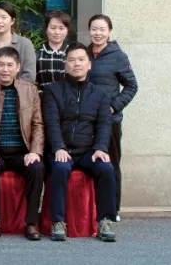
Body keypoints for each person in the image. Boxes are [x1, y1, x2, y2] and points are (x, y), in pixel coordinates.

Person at [43, 42, 117, 242]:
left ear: (89, 64)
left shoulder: (100, 94)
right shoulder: (52, 91)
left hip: (87, 151)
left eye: (81, 60)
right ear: (65, 64)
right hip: (61, 150)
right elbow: (51, 123)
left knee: (106, 169)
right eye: (72, 60)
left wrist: (100, 148)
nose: (77, 64)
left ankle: (105, 221)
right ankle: (58, 221)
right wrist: (58, 147)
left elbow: (104, 124)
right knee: (60, 168)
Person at [0, 47, 44, 240]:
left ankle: (31, 223)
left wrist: (35, 151)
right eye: (1, 64)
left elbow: (37, 124)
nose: (5, 69)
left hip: (22, 151)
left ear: (18, 67)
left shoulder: (30, 90)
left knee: (37, 168)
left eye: (10, 65)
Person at [86, 14, 137, 222]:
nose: (97, 33)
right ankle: (90, 209)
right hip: (86, 120)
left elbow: (132, 86)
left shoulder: (118, 56)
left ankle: (113, 209)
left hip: (110, 121)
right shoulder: (84, 54)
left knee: (111, 163)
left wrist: (114, 106)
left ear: (109, 32)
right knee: (90, 163)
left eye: (102, 29)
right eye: (94, 29)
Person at [0, 2, 37, 84]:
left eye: (4, 17)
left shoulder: (25, 44)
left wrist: (9, 89)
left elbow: (29, 76)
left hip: (18, 91)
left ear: (12, 21)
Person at [35, 11, 71, 90]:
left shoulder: (72, 53)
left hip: (68, 97)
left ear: (67, 30)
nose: (57, 32)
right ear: (46, 29)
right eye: (53, 28)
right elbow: (34, 83)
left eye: (61, 28)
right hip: (43, 97)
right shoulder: (37, 54)